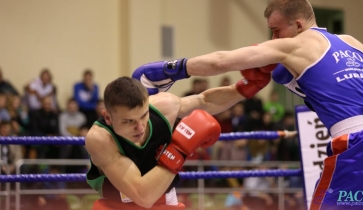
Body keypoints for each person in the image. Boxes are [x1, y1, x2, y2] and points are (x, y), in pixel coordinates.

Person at [135, 0, 363, 209]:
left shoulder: (294, 45)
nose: (273, 39)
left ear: (297, 25)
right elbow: (347, 90)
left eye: (275, 30)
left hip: (358, 145)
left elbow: (221, 61)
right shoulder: (354, 43)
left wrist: (175, 68)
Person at [85, 68, 273, 209]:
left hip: (166, 201)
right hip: (117, 205)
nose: (140, 127)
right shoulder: (100, 138)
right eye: (128, 121)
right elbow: (143, 195)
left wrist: (245, 88)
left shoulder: (163, 106)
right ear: (108, 117)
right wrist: (179, 149)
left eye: (143, 115)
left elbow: (206, 101)